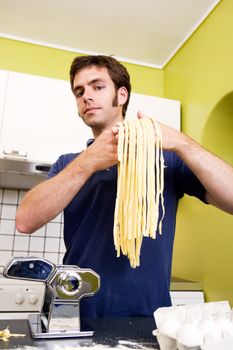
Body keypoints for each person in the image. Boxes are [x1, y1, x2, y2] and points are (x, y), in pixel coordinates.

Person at [16, 55, 233, 319]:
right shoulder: (69, 164)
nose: (86, 96)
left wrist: (182, 143)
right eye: (79, 91)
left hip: (151, 319)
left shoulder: (166, 158)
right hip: (77, 316)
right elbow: (25, 221)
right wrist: (89, 161)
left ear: (121, 95)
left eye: (97, 87)